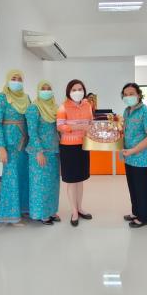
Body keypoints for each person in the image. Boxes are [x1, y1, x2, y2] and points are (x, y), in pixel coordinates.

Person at [0, 69, 30, 225]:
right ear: (8, 80)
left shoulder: (26, 98)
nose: (16, 81)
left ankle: (24, 209)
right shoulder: (1, 98)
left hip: (25, 142)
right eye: (13, 78)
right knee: (11, 177)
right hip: (9, 144)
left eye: (19, 79)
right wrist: (1, 147)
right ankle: (9, 214)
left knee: (24, 174)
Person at [57, 79, 94, 227]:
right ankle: (74, 211)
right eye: (74, 90)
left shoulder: (87, 105)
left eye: (80, 89)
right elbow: (60, 126)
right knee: (72, 180)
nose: (77, 92)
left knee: (80, 179)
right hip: (68, 147)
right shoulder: (63, 107)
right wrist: (78, 127)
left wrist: (88, 128)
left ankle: (80, 207)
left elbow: (90, 123)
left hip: (83, 145)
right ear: (68, 92)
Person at [121, 82, 147, 228]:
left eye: (131, 94)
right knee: (133, 186)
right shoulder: (126, 111)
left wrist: (134, 150)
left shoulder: (146, 112)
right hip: (128, 156)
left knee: (142, 188)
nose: (128, 96)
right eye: (125, 94)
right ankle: (136, 212)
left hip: (141, 157)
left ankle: (144, 217)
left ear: (139, 95)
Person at [25, 80, 61, 225]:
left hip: (54, 150)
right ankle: (41, 213)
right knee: (40, 184)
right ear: (38, 91)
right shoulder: (33, 108)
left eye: (49, 88)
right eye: (43, 88)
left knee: (53, 183)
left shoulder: (55, 108)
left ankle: (51, 211)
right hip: (39, 152)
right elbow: (32, 131)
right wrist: (39, 151)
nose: (46, 91)